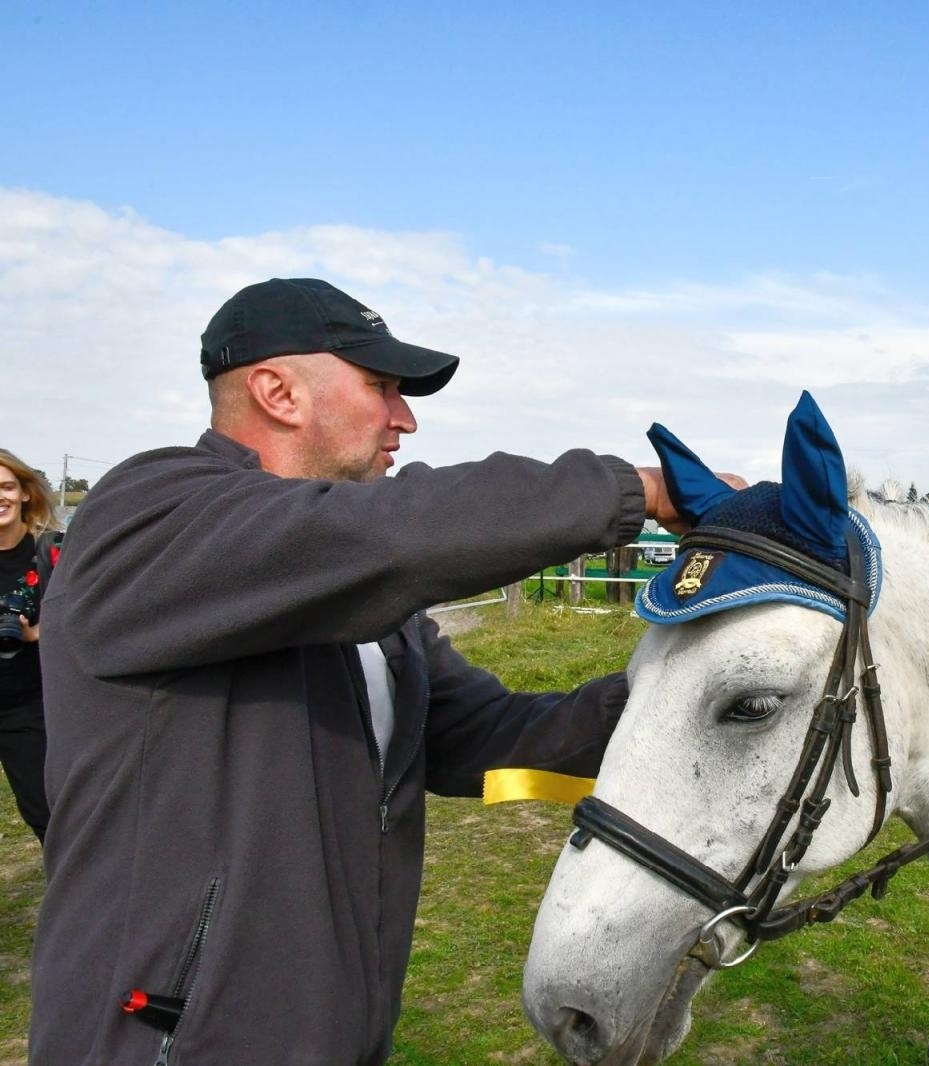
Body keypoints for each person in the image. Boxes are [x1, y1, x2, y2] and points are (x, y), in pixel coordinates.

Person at [29, 278, 722, 1064]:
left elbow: (485, 736)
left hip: (336, 1034)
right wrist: (641, 491)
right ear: (278, 392)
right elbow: (390, 535)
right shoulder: (146, 516)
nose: (406, 419)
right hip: (165, 1040)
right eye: (381, 387)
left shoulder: (361, 603)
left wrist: (697, 695)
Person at [0, 449, 63, 845]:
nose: (0, 497)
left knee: (47, 812)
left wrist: (41, 631)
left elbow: (94, 607)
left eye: (7, 487)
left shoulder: (54, 551)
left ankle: (73, 880)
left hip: (33, 703)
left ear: (25, 493)